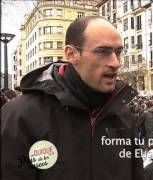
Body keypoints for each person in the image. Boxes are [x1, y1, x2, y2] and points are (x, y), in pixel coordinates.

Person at [1, 16, 144, 180]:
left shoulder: (123, 116)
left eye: (118, 52)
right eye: (103, 51)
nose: (115, 62)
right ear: (71, 54)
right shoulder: (20, 117)